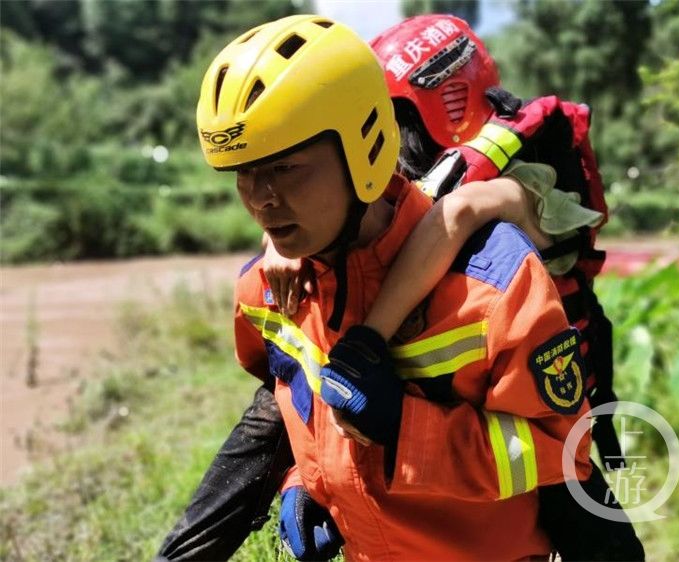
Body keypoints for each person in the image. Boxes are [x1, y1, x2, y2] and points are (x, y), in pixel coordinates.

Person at [183, 13, 598, 561]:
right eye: (244, 172)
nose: (259, 197)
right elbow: (292, 404)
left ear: (364, 148)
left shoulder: (490, 282)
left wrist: (404, 428)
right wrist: (300, 481)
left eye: (285, 168)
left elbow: (559, 450)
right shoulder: (268, 286)